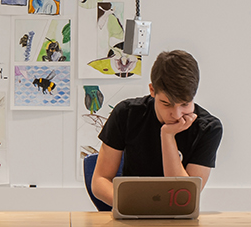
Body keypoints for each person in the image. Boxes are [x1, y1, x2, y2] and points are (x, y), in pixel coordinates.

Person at [89, 49, 222, 210]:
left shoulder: (208, 128)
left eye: (185, 104)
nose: (176, 114)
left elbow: (183, 196)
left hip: (179, 222)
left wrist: (167, 136)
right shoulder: (126, 113)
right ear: (152, 90)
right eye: (166, 104)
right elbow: (100, 181)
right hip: (132, 212)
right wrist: (136, 206)